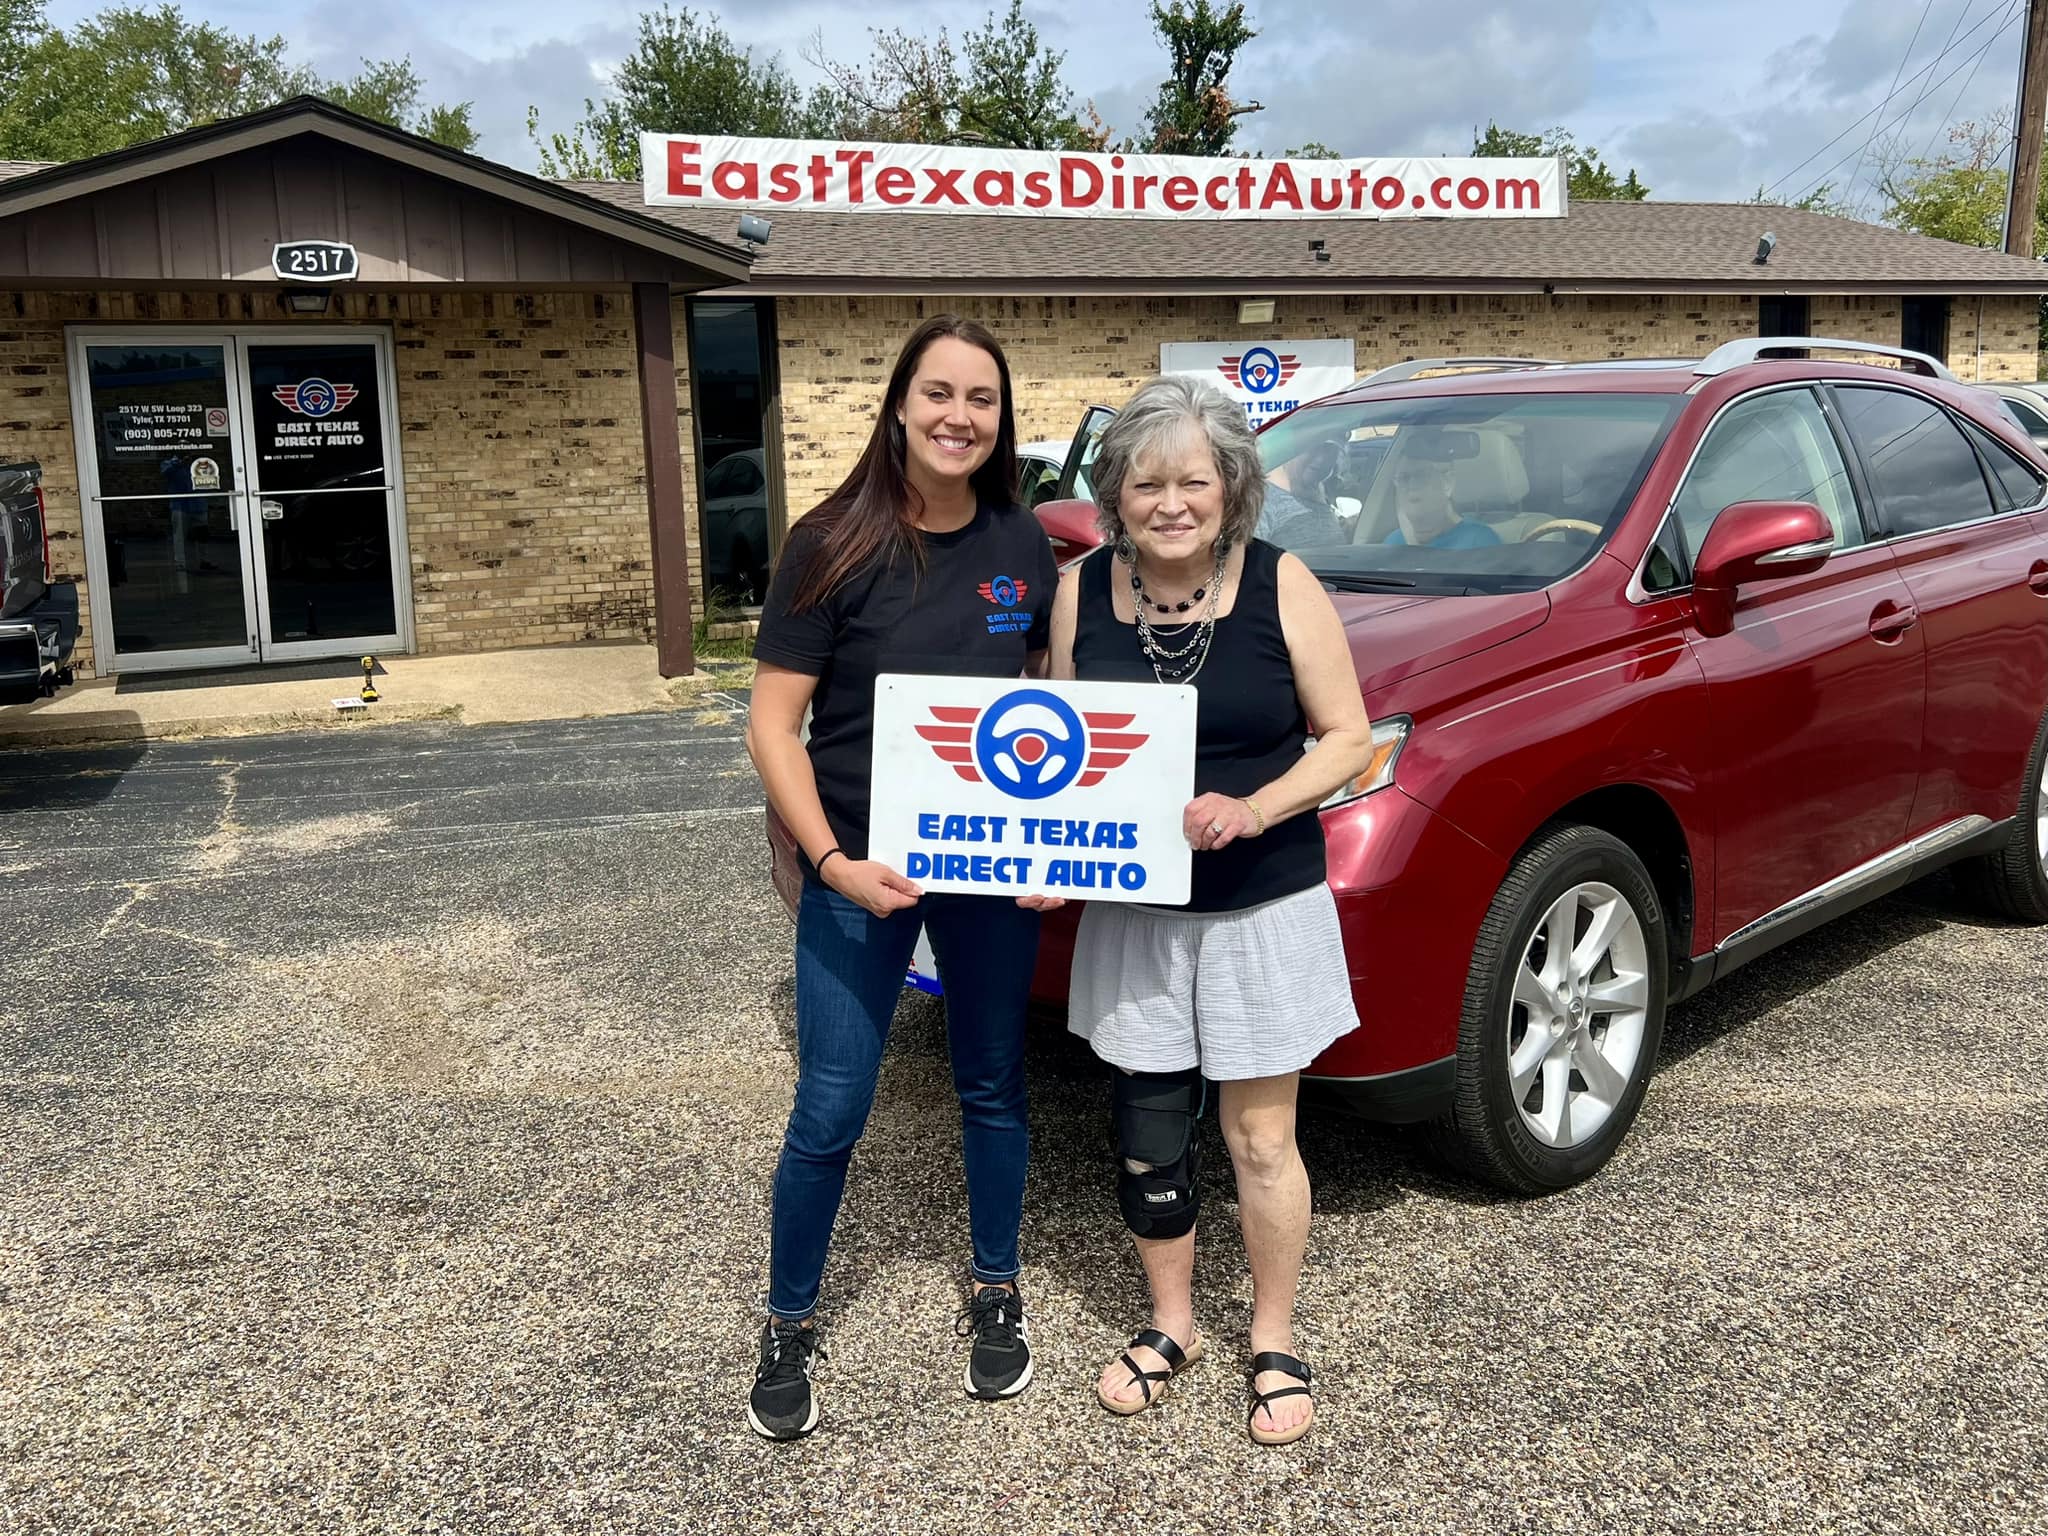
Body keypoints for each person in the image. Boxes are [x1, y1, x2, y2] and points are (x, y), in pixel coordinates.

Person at [743, 315, 1060, 1441]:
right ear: (897, 404)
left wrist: (1058, 845)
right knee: (832, 1102)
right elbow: (773, 726)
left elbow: (1045, 701)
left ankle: (996, 1287)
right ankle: (788, 1317)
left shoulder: (1022, 544)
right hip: (858, 867)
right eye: (938, 393)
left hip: (987, 868)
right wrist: (828, 859)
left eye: (981, 399)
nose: (957, 417)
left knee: (991, 1084)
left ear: (1001, 419)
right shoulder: (829, 542)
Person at [1046, 374, 1377, 1447]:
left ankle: (1272, 1338)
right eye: (1147, 483)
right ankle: (1173, 1325)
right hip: (1137, 915)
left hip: (1257, 908)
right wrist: (1050, 853)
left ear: (1231, 487)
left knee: (1259, 1137)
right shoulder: (1081, 591)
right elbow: (1063, 748)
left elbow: (1347, 737)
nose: (1171, 503)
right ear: (1115, 493)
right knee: (1147, 1133)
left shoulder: (1282, 583)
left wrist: (1255, 806)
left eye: (1194, 480)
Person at [1383, 451, 1502, 550]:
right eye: (1403, 478)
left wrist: (1413, 546)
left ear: (1447, 483)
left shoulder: (1480, 541)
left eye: (1421, 476)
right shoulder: (1393, 542)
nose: (1412, 487)